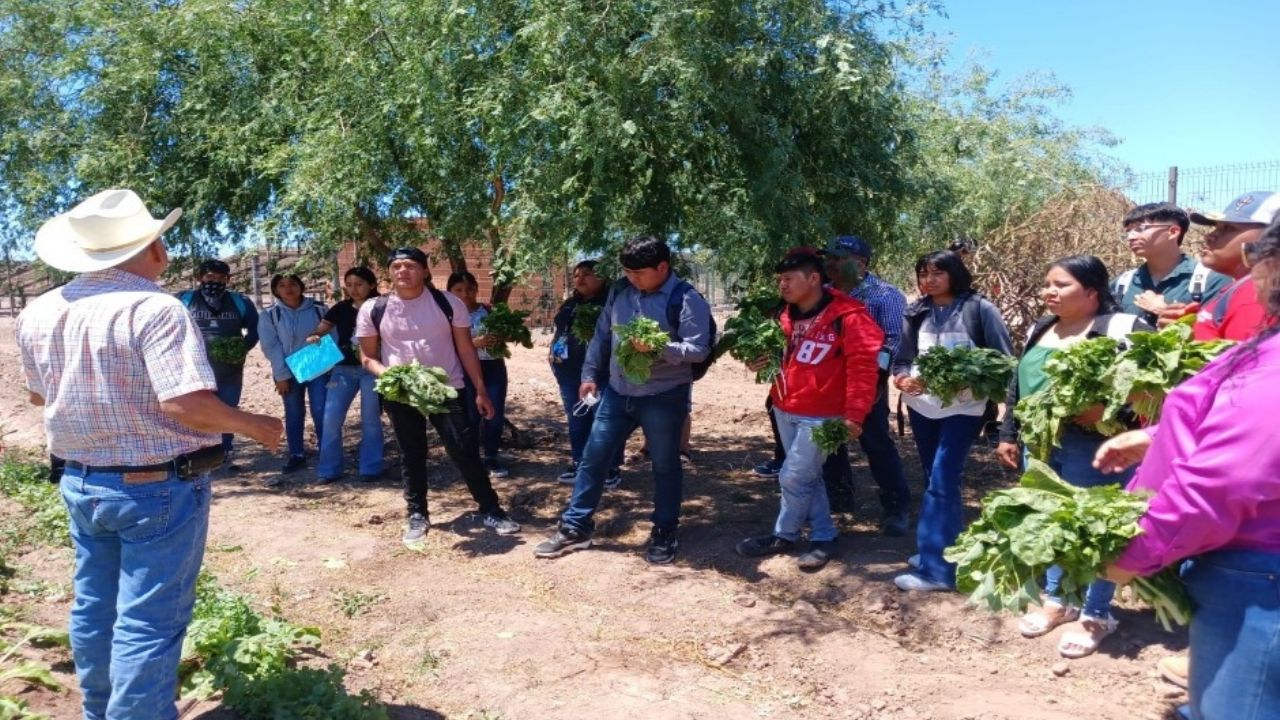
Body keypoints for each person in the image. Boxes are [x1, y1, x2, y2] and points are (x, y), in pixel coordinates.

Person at [16, 189, 282, 720]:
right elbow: (185, 404)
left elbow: (39, 396)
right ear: (153, 247)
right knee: (149, 620)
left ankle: (101, 710)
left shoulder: (41, 310)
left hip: (81, 480)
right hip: (157, 485)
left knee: (96, 607)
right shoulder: (154, 307)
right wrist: (257, 426)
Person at [1097, 217, 1280, 720]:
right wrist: (1159, 438)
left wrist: (1138, 551)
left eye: (1255, 256)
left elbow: (1227, 479)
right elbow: (1252, 432)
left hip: (1258, 577)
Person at [995, 255, 1150, 658]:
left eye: (1061, 285)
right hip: (1041, 444)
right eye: (1047, 283)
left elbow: (1156, 388)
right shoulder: (1040, 327)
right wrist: (1008, 433)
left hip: (1098, 447)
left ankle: (1097, 613)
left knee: (1095, 528)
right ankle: (1057, 601)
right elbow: (1018, 383)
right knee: (1051, 522)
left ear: (1093, 292)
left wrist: (1113, 414)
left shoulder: (1122, 328)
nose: (1049, 291)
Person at [534, 235, 713, 564]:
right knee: (593, 458)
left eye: (639, 273)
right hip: (618, 393)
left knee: (665, 466)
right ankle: (576, 527)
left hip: (664, 396)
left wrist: (660, 348)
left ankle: (664, 530)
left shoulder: (686, 299)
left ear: (662, 267)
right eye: (627, 272)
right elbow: (603, 334)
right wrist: (589, 375)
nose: (632, 279)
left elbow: (699, 348)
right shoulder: (620, 291)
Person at [354, 247, 520, 545]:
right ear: (389, 272)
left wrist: (480, 390)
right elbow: (367, 356)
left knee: (464, 449)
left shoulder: (448, 303)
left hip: (447, 389)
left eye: (411, 266)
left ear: (426, 271)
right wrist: (390, 376)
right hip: (402, 393)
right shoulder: (373, 309)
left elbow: (466, 348)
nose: (403, 271)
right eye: (397, 266)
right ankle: (417, 513)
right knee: (411, 452)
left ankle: (492, 509)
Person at [735, 248, 882, 570]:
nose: (782, 286)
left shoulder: (849, 315)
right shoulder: (782, 314)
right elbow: (771, 356)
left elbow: (863, 367)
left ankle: (783, 534)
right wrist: (755, 360)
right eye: (779, 280)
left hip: (823, 414)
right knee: (807, 477)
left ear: (814, 278)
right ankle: (823, 536)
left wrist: (855, 415)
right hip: (785, 406)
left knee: (792, 476)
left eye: (788, 279)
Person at [891, 250, 1013, 592]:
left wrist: (967, 381)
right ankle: (943, 549)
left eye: (936, 273)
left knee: (943, 480)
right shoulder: (916, 311)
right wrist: (901, 380)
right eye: (923, 274)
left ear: (954, 274)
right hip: (921, 407)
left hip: (963, 410)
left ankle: (937, 571)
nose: (928, 280)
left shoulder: (979, 309)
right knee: (933, 477)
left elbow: (1003, 362)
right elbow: (902, 359)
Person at [819, 234, 911, 535]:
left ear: (860, 262)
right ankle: (839, 496)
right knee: (828, 440)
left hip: (866, 383)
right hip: (827, 383)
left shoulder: (885, 295)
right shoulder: (822, 294)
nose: (829, 263)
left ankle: (896, 505)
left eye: (837, 257)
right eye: (828, 257)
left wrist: (874, 376)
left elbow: (895, 340)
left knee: (875, 441)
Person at [177, 258, 260, 470]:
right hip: (193, 369)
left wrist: (240, 349)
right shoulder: (183, 300)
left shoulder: (241, 302)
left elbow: (254, 330)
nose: (215, 281)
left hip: (229, 370)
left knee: (227, 409)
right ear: (199, 278)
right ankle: (196, 453)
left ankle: (224, 452)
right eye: (209, 277)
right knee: (197, 409)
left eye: (221, 278)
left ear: (228, 279)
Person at [548, 260, 622, 486]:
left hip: (602, 374)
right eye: (576, 275)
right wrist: (554, 355)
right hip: (569, 373)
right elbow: (562, 332)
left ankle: (609, 468)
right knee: (577, 418)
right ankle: (579, 462)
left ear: (603, 278)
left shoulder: (612, 304)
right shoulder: (570, 304)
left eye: (587, 274)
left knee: (604, 419)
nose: (580, 279)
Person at [308, 266, 384, 483]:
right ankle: (328, 470)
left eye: (359, 284)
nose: (354, 289)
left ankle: (371, 468)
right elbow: (319, 330)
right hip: (342, 371)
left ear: (371, 284)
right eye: (349, 285)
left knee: (370, 419)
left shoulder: (382, 306)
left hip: (373, 369)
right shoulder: (340, 307)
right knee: (331, 418)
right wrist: (313, 337)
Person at [258, 273, 330, 478]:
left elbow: (331, 334)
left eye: (292, 284)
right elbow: (270, 346)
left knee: (321, 409)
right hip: (288, 372)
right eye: (282, 285)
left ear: (301, 286)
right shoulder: (270, 315)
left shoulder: (319, 309)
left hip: (318, 368)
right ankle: (297, 454)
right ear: (275, 290)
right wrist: (281, 374)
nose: (288, 288)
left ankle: (327, 452)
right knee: (294, 411)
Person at [1112, 202, 1231, 327]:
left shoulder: (1211, 281)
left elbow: (1220, 333)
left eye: (1140, 229)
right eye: (1128, 231)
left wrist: (1164, 311)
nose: (1130, 237)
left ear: (1173, 232)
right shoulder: (1122, 283)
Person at [1186, 191, 1280, 340]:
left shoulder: (1256, 295)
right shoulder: (1242, 287)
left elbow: (1248, 361)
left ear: (1271, 236)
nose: (1209, 236)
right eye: (1216, 227)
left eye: (1228, 228)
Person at [446, 271, 513, 478]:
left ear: (477, 289)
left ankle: (491, 456)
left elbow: (509, 333)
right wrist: (474, 344)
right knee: (469, 415)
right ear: (449, 292)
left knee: (494, 413)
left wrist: (502, 336)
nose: (465, 294)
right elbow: (444, 345)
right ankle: (471, 459)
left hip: (492, 367)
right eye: (458, 290)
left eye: (470, 289)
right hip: (463, 370)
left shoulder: (489, 311)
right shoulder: (446, 316)